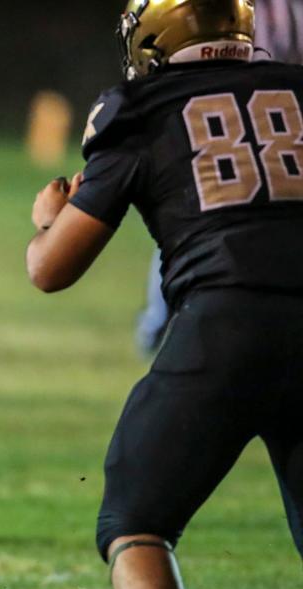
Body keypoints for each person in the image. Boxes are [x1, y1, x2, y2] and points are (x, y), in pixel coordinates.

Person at [26, 1, 303, 589]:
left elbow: (52, 271)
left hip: (227, 321)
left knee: (136, 520)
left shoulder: (138, 107)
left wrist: (48, 215)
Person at [135, 0, 303, 354]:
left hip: (236, 119)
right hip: (271, 123)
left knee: (193, 214)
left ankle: (163, 321)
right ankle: (163, 320)